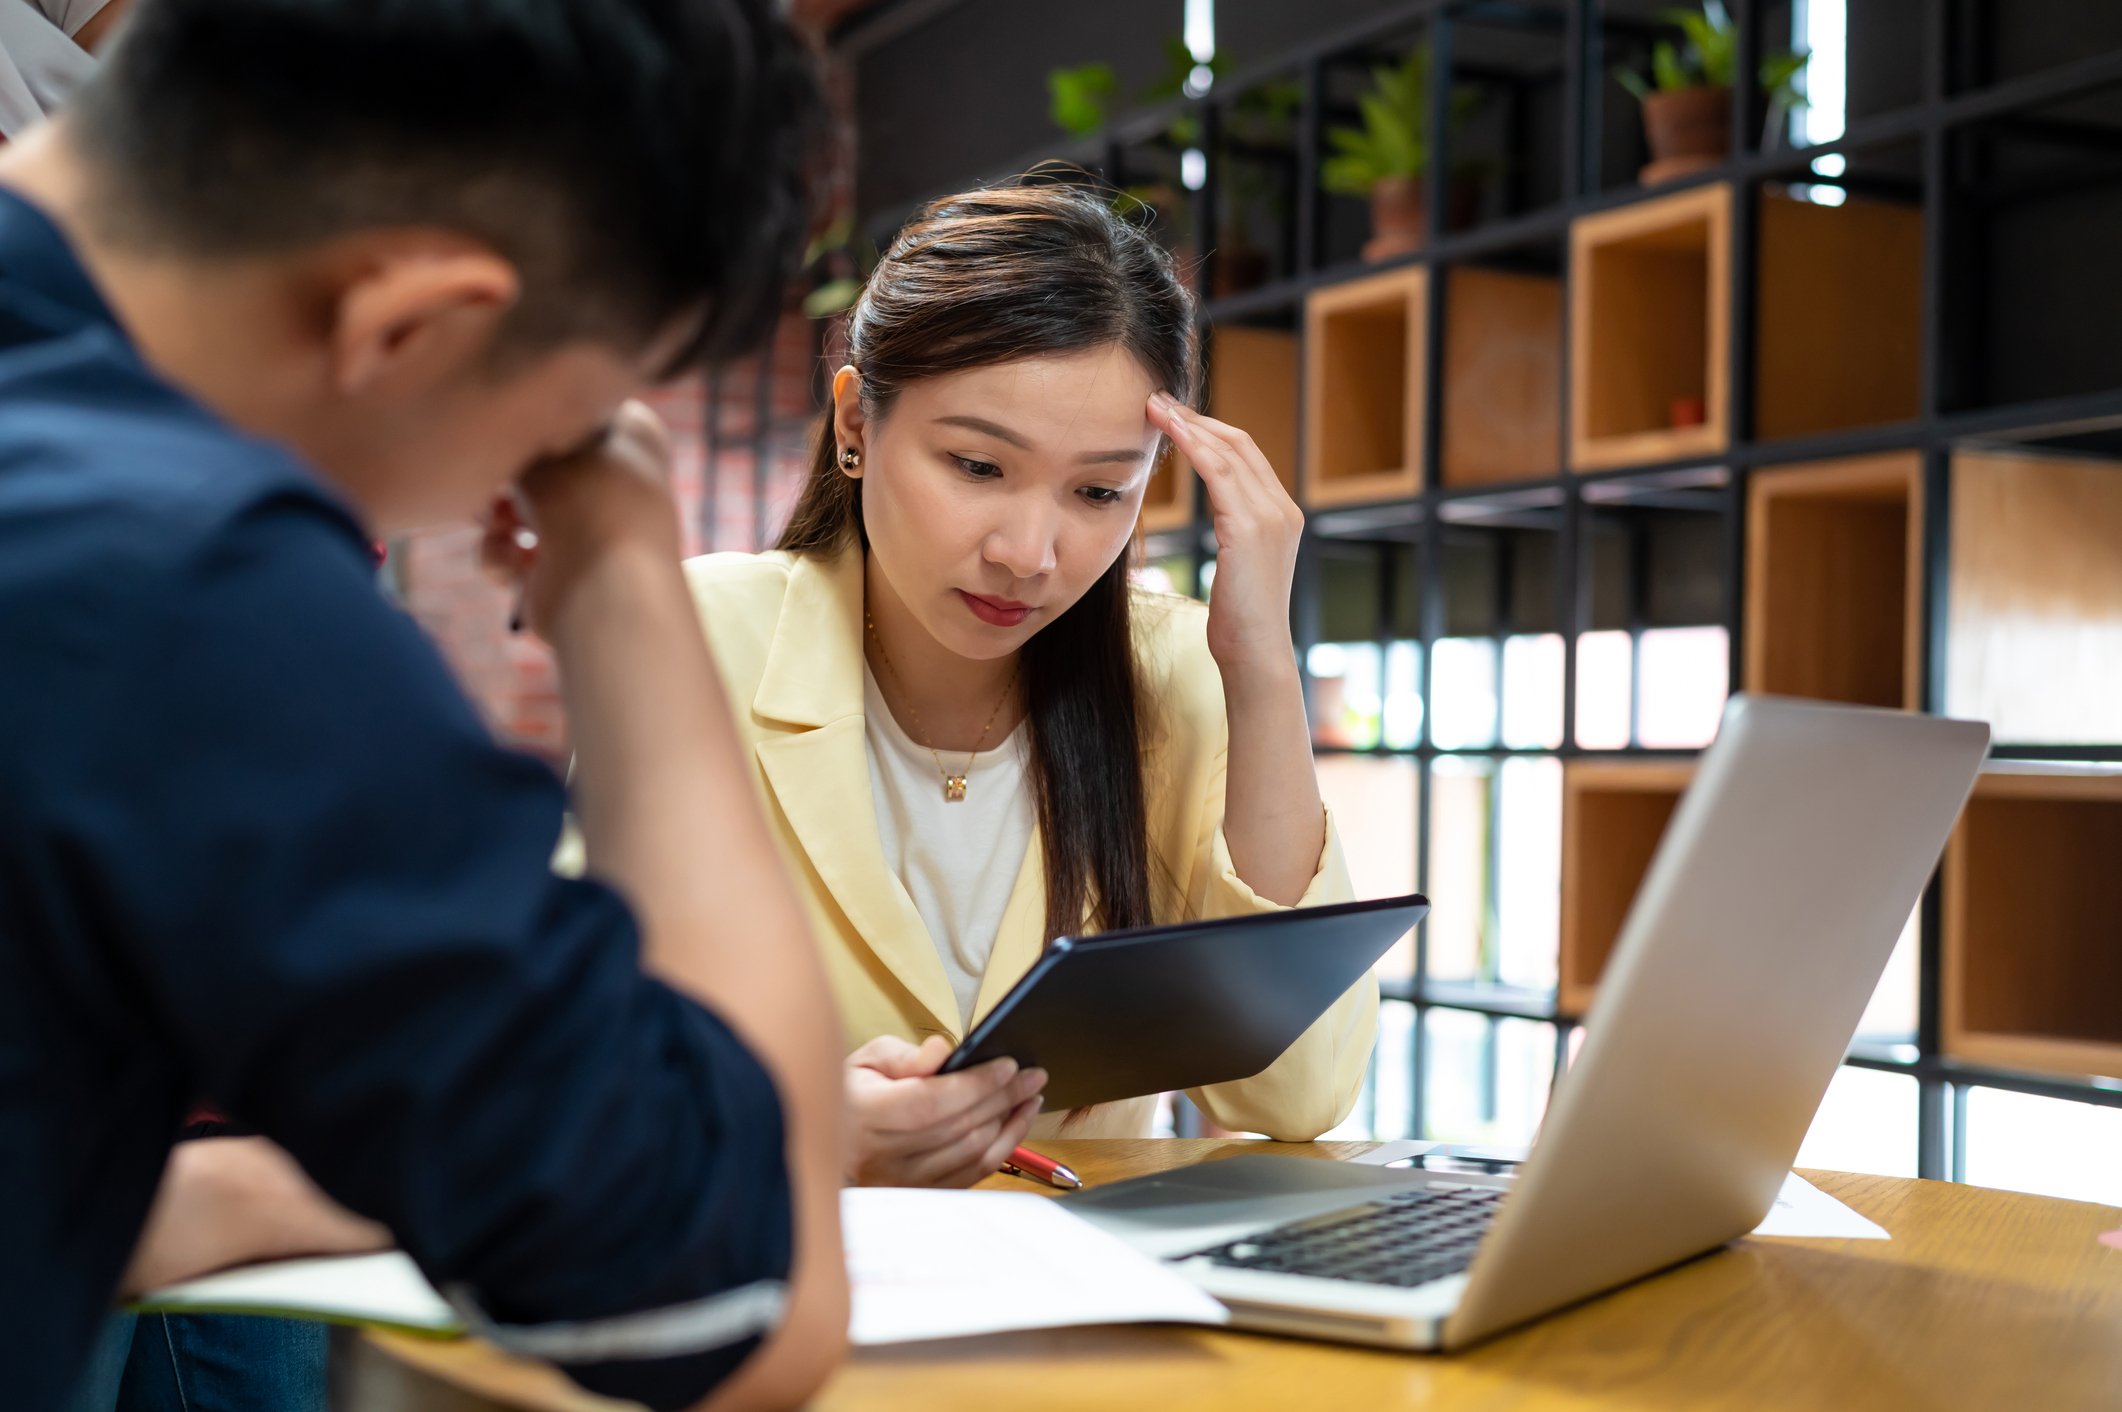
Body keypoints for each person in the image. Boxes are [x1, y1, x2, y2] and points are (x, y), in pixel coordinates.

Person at [0, 2, 850, 1409]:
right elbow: (735, 1302)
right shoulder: (190, 576)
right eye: (546, 438)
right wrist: (621, 569)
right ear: (412, 326)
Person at [643, 182, 1376, 1184]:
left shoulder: (1171, 669)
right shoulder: (700, 636)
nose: (1031, 553)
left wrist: (1257, 665)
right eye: (978, 465)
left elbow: (1298, 1095)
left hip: (1083, 1301)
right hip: (792, 1277)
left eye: (1097, 491)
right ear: (857, 421)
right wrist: (792, 1115)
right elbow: (580, 1053)